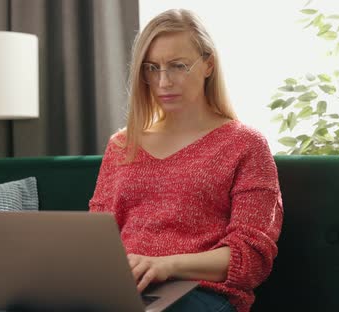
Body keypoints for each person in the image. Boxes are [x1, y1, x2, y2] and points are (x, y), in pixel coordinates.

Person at [88, 8, 283, 312]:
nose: (163, 81)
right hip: (123, 292)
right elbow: (96, 237)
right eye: (152, 68)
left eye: (177, 66)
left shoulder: (245, 144)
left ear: (208, 65)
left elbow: (250, 258)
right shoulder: (123, 145)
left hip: (201, 295)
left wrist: (166, 266)